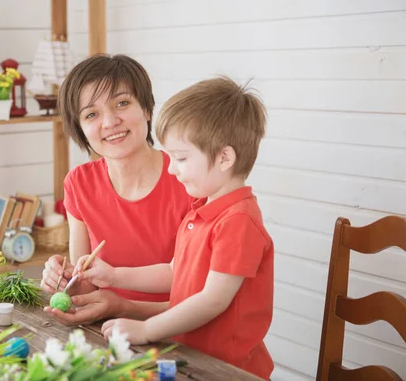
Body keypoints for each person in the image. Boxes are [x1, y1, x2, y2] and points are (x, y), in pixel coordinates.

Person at [73, 77, 275, 380]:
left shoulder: (238, 223)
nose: (171, 168)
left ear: (224, 158)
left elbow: (212, 300)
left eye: (180, 158)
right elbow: (174, 271)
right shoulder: (202, 212)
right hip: (189, 358)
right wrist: (114, 275)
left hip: (227, 369)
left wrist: (145, 329)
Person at [40, 54, 194, 324]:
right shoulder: (79, 183)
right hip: (115, 336)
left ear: (146, 109)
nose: (110, 122)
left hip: (188, 342)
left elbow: (202, 297)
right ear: (81, 129)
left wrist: (123, 307)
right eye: (91, 114)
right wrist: (66, 277)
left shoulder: (190, 179)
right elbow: (86, 285)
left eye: (122, 103)